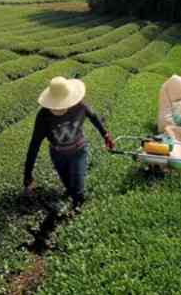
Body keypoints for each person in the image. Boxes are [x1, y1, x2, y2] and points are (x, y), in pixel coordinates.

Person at [23, 76, 115, 210]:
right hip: (58, 154)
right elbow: (34, 146)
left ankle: (78, 211)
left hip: (78, 151)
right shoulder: (43, 116)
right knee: (68, 185)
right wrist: (28, 176)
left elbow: (94, 117)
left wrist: (105, 134)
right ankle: (71, 203)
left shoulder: (80, 106)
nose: (58, 109)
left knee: (77, 189)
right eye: (54, 106)